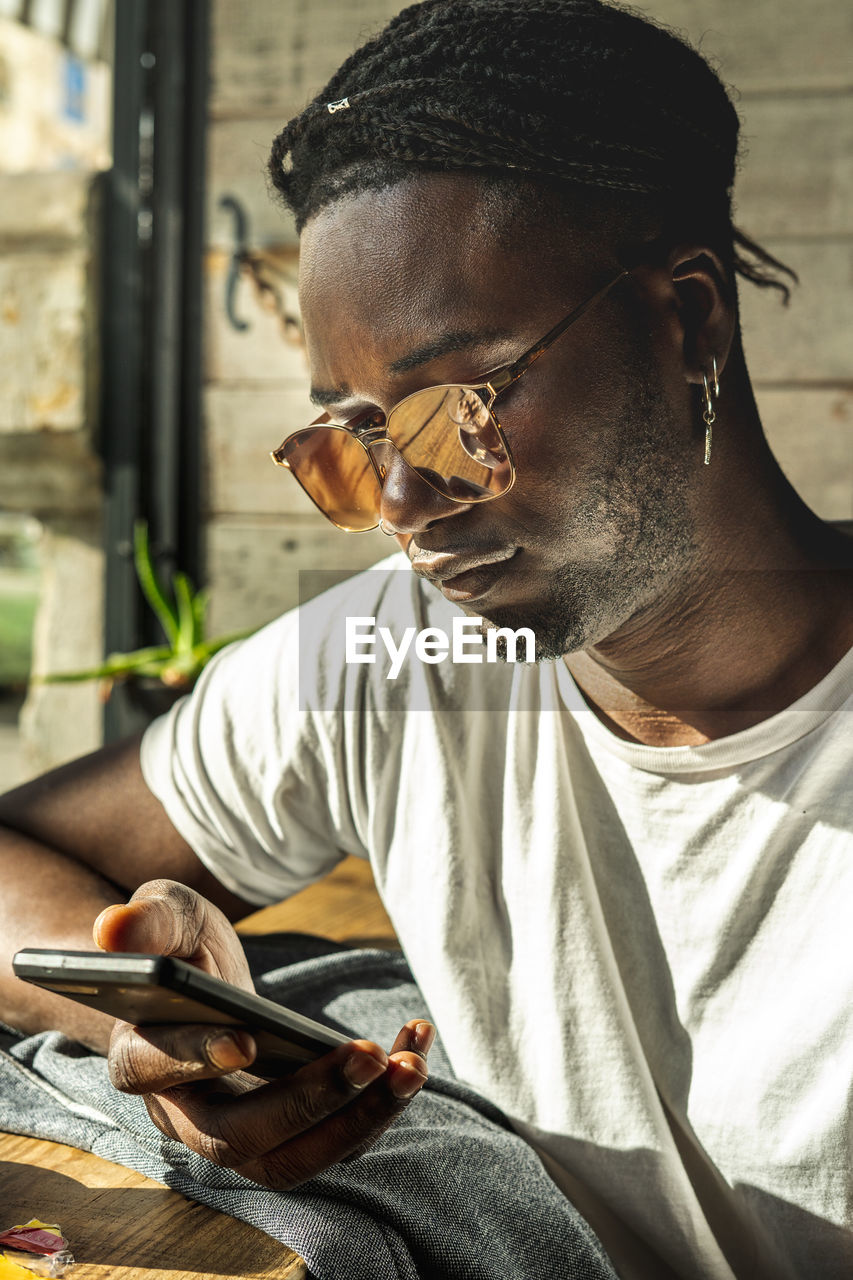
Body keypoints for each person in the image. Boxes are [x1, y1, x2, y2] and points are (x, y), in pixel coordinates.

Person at [1, 0, 851, 1276]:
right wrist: (187, 1036)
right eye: (351, 435)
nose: (400, 507)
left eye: (461, 406)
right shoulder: (411, 653)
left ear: (687, 320)